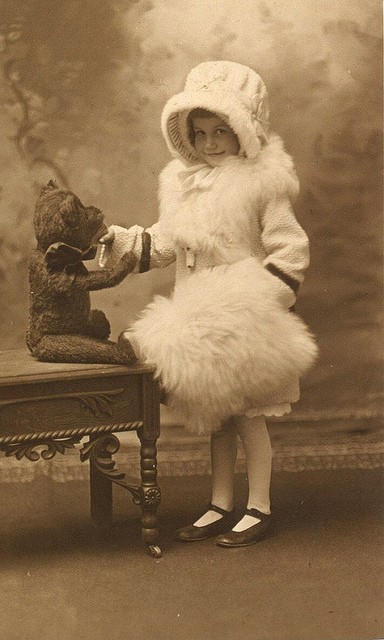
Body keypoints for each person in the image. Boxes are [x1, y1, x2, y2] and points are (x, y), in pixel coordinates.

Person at [99, 60, 314, 547]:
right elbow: (168, 241)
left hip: (245, 319)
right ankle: (220, 502)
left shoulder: (262, 183)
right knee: (217, 418)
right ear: (186, 136)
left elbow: (290, 249)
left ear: (245, 131)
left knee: (249, 416)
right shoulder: (181, 184)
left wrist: (258, 298)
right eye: (201, 133)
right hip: (198, 320)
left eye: (222, 130)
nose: (211, 142)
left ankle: (258, 505)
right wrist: (121, 243)